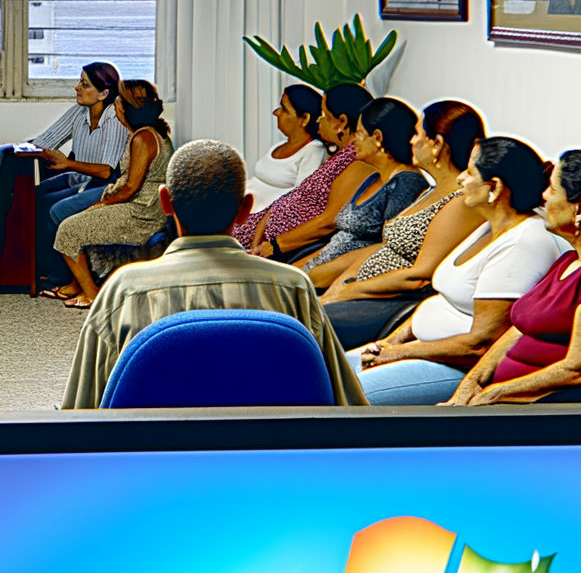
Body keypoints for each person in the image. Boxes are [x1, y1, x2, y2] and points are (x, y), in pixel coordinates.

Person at [61, 140, 366, 409]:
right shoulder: (292, 286)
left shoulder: (124, 290)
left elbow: (83, 412)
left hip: (155, 461)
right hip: (268, 459)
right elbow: (342, 405)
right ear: (246, 208)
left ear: (165, 202)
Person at [347, 137, 568, 405]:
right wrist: (393, 340)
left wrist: (400, 352)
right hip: (418, 350)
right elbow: (444, 297)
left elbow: (480, 344)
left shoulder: (524, 242)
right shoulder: (489, 226)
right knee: (329, 371)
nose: (461, 178)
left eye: (470, 172)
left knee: (344, 392)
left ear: (495, 187)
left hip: (456, 368)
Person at [446, 148, 581, 405]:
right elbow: (519, 329)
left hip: (548, 412)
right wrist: (472, 383)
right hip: (502, 402)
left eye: (552, 190)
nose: (543, 197)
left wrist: (494, 394)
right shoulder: (570, 260)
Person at [319, 100, 487, 343]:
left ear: (436, 144)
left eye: (418, 133)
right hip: (362, 292)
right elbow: (384, 246)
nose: (411, 140)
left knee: (302, 324)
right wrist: (341, 283)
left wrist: (351, 290)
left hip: (393, 303)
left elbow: (419, 276)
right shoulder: (430, 191)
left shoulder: (461, 201)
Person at [49, 80, 175, 310]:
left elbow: (131, 188)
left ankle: (92, 296)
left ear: (127, 109)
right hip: (147, 206)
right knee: (77, 221)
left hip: (142, 212)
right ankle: (81, 286)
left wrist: (101, 205)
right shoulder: (148, 133)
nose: (115, 104)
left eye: (119, 101)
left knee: (68, 229)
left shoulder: (143, 138)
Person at [237, 83, 376, 259]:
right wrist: (258, 236)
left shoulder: (356, 161)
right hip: (261, 233)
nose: (318, 120)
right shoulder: (339, 157)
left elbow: (328, 221)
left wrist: (275, 245)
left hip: (282, 248)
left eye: (324, 115)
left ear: (342, 122)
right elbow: (292, 198)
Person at [300, 97, 430, 282]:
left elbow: (385, 251)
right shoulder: (373, 179)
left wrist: (308, 277)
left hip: (343, 280)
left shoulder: (406, 185)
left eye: (359, 134)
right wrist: (297, 270)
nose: (353, 142)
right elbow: (338, 242)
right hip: (318, 271)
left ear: (377, 138)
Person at [28, 61, 129, 298]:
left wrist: (67, 163)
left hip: (108, 183)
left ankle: (59, 276)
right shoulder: (79, 111)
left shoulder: (115, 117)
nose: (77, 88)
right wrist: (19, 148)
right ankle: (40, 269)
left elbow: (106, 171)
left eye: (84, 84)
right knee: (33, 197)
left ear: (104, 93)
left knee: (54, 210)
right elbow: (45, 140)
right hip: (81, 177)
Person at [245, 85, 328, 213]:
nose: (276, 113)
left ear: (305, 118)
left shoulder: (313, 151)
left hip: (261, 222)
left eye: (284, 109)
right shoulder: (278, 146)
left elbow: (301, 200)